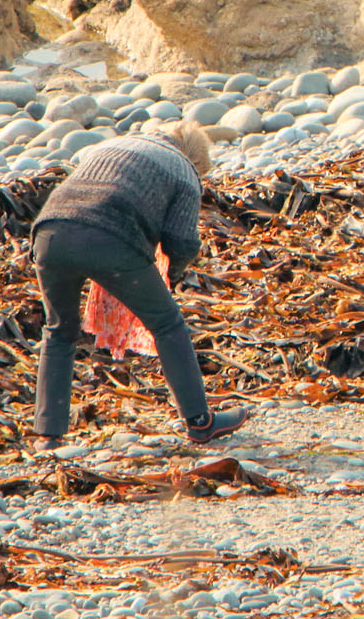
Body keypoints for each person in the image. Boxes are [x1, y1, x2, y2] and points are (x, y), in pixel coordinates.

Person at [28, 120, 249, 449]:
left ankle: (48, 435)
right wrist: (171, 277)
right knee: (167, 324)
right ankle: (200, 423)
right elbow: (182, 241)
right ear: (198, 162)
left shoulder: (113, 145)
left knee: (59, 330)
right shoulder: (184, 171)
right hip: (110, 239)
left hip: (49, 233)